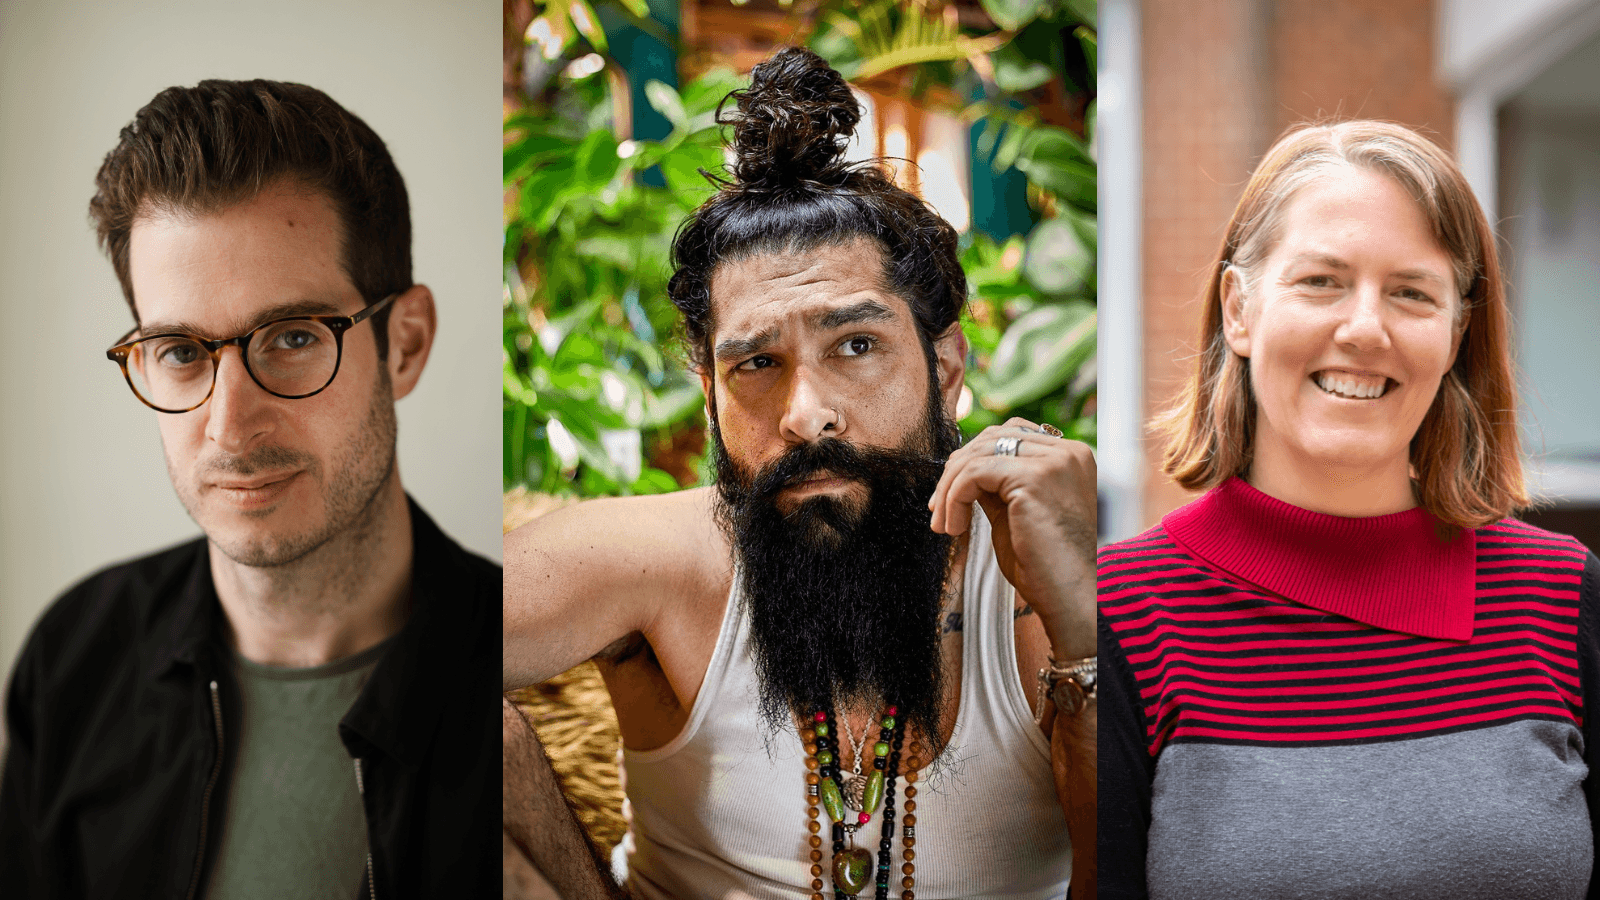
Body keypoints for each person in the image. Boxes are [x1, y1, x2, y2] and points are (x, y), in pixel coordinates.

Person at [503, 48, 1097, 900]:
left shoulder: (1040, 578)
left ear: (948, 365)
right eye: (756, 364)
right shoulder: (659, 559)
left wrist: (1079, 628)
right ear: (708, 392)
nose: (804, 413)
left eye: (856, 346)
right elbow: (365, 649)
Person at [0, 80, 500, 899]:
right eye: (179, 352)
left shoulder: (519, 685)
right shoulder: (73, 663)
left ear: (403, 345)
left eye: (293, 337)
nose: (231, 427)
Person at [1098, 119, 1600, 900]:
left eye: (1410, 292)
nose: (1365, 328)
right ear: (1239, 309)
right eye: (1320, 281)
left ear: (1456, 331)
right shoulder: (1121, 610)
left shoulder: (1563, 595)